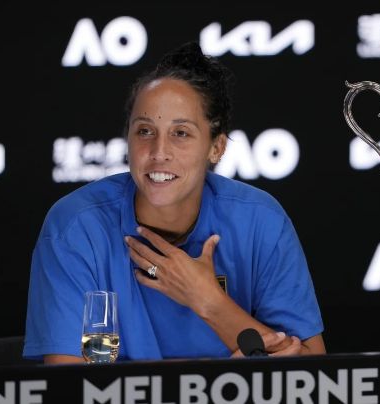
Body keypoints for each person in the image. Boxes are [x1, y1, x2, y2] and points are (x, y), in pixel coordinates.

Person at [23, 41, 325, 363]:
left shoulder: (262, 223)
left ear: (216, 147)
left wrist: (208, 300)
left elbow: (310, 375)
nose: (158, 152)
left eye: (180, 133)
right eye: (144, 131)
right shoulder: (75, 228)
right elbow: (70, 387)